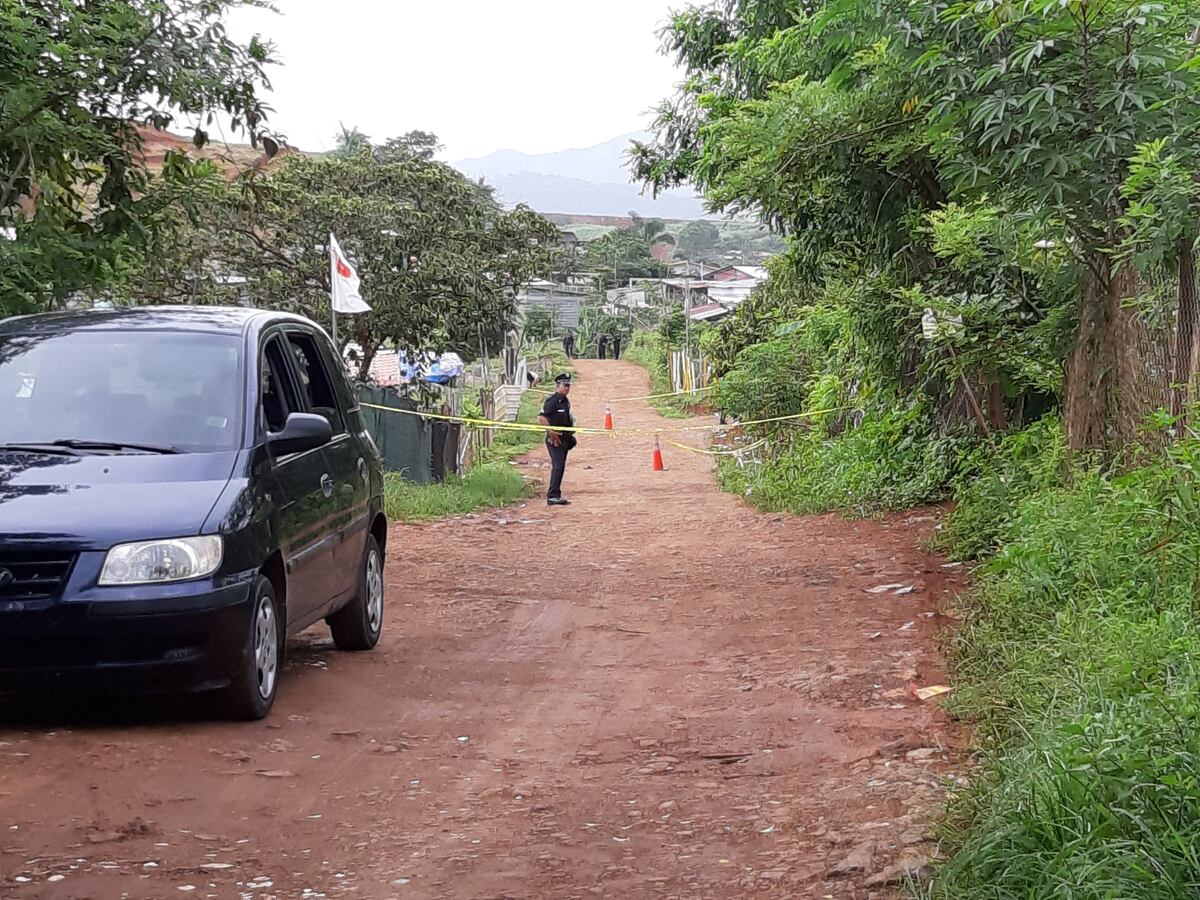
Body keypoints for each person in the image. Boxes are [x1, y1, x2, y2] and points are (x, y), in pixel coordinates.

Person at [537, 373, 576, 506]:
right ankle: (552, 496)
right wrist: (551, 431)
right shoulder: (552, 401)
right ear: (557, 385)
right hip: (555, 439)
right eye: (565, 385)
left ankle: (556, 494)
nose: (567, 388)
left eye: (568, 385)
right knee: (558, 466)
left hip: (565, 438)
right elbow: (542, 417)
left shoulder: (565, 401)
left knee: (561, 466)